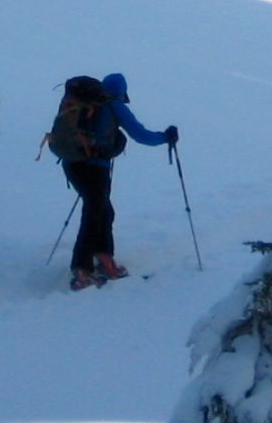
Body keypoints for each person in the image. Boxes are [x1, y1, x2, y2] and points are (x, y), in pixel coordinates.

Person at [47, 71, 178, 289]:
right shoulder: (114, 106)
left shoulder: (81, 102)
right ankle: (82, 268)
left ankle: (103, 257)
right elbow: (140, 135)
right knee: (95, 212)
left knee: (103, 210)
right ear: (122, 92)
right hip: (94, 167)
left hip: (71, 164)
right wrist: (166, 137)